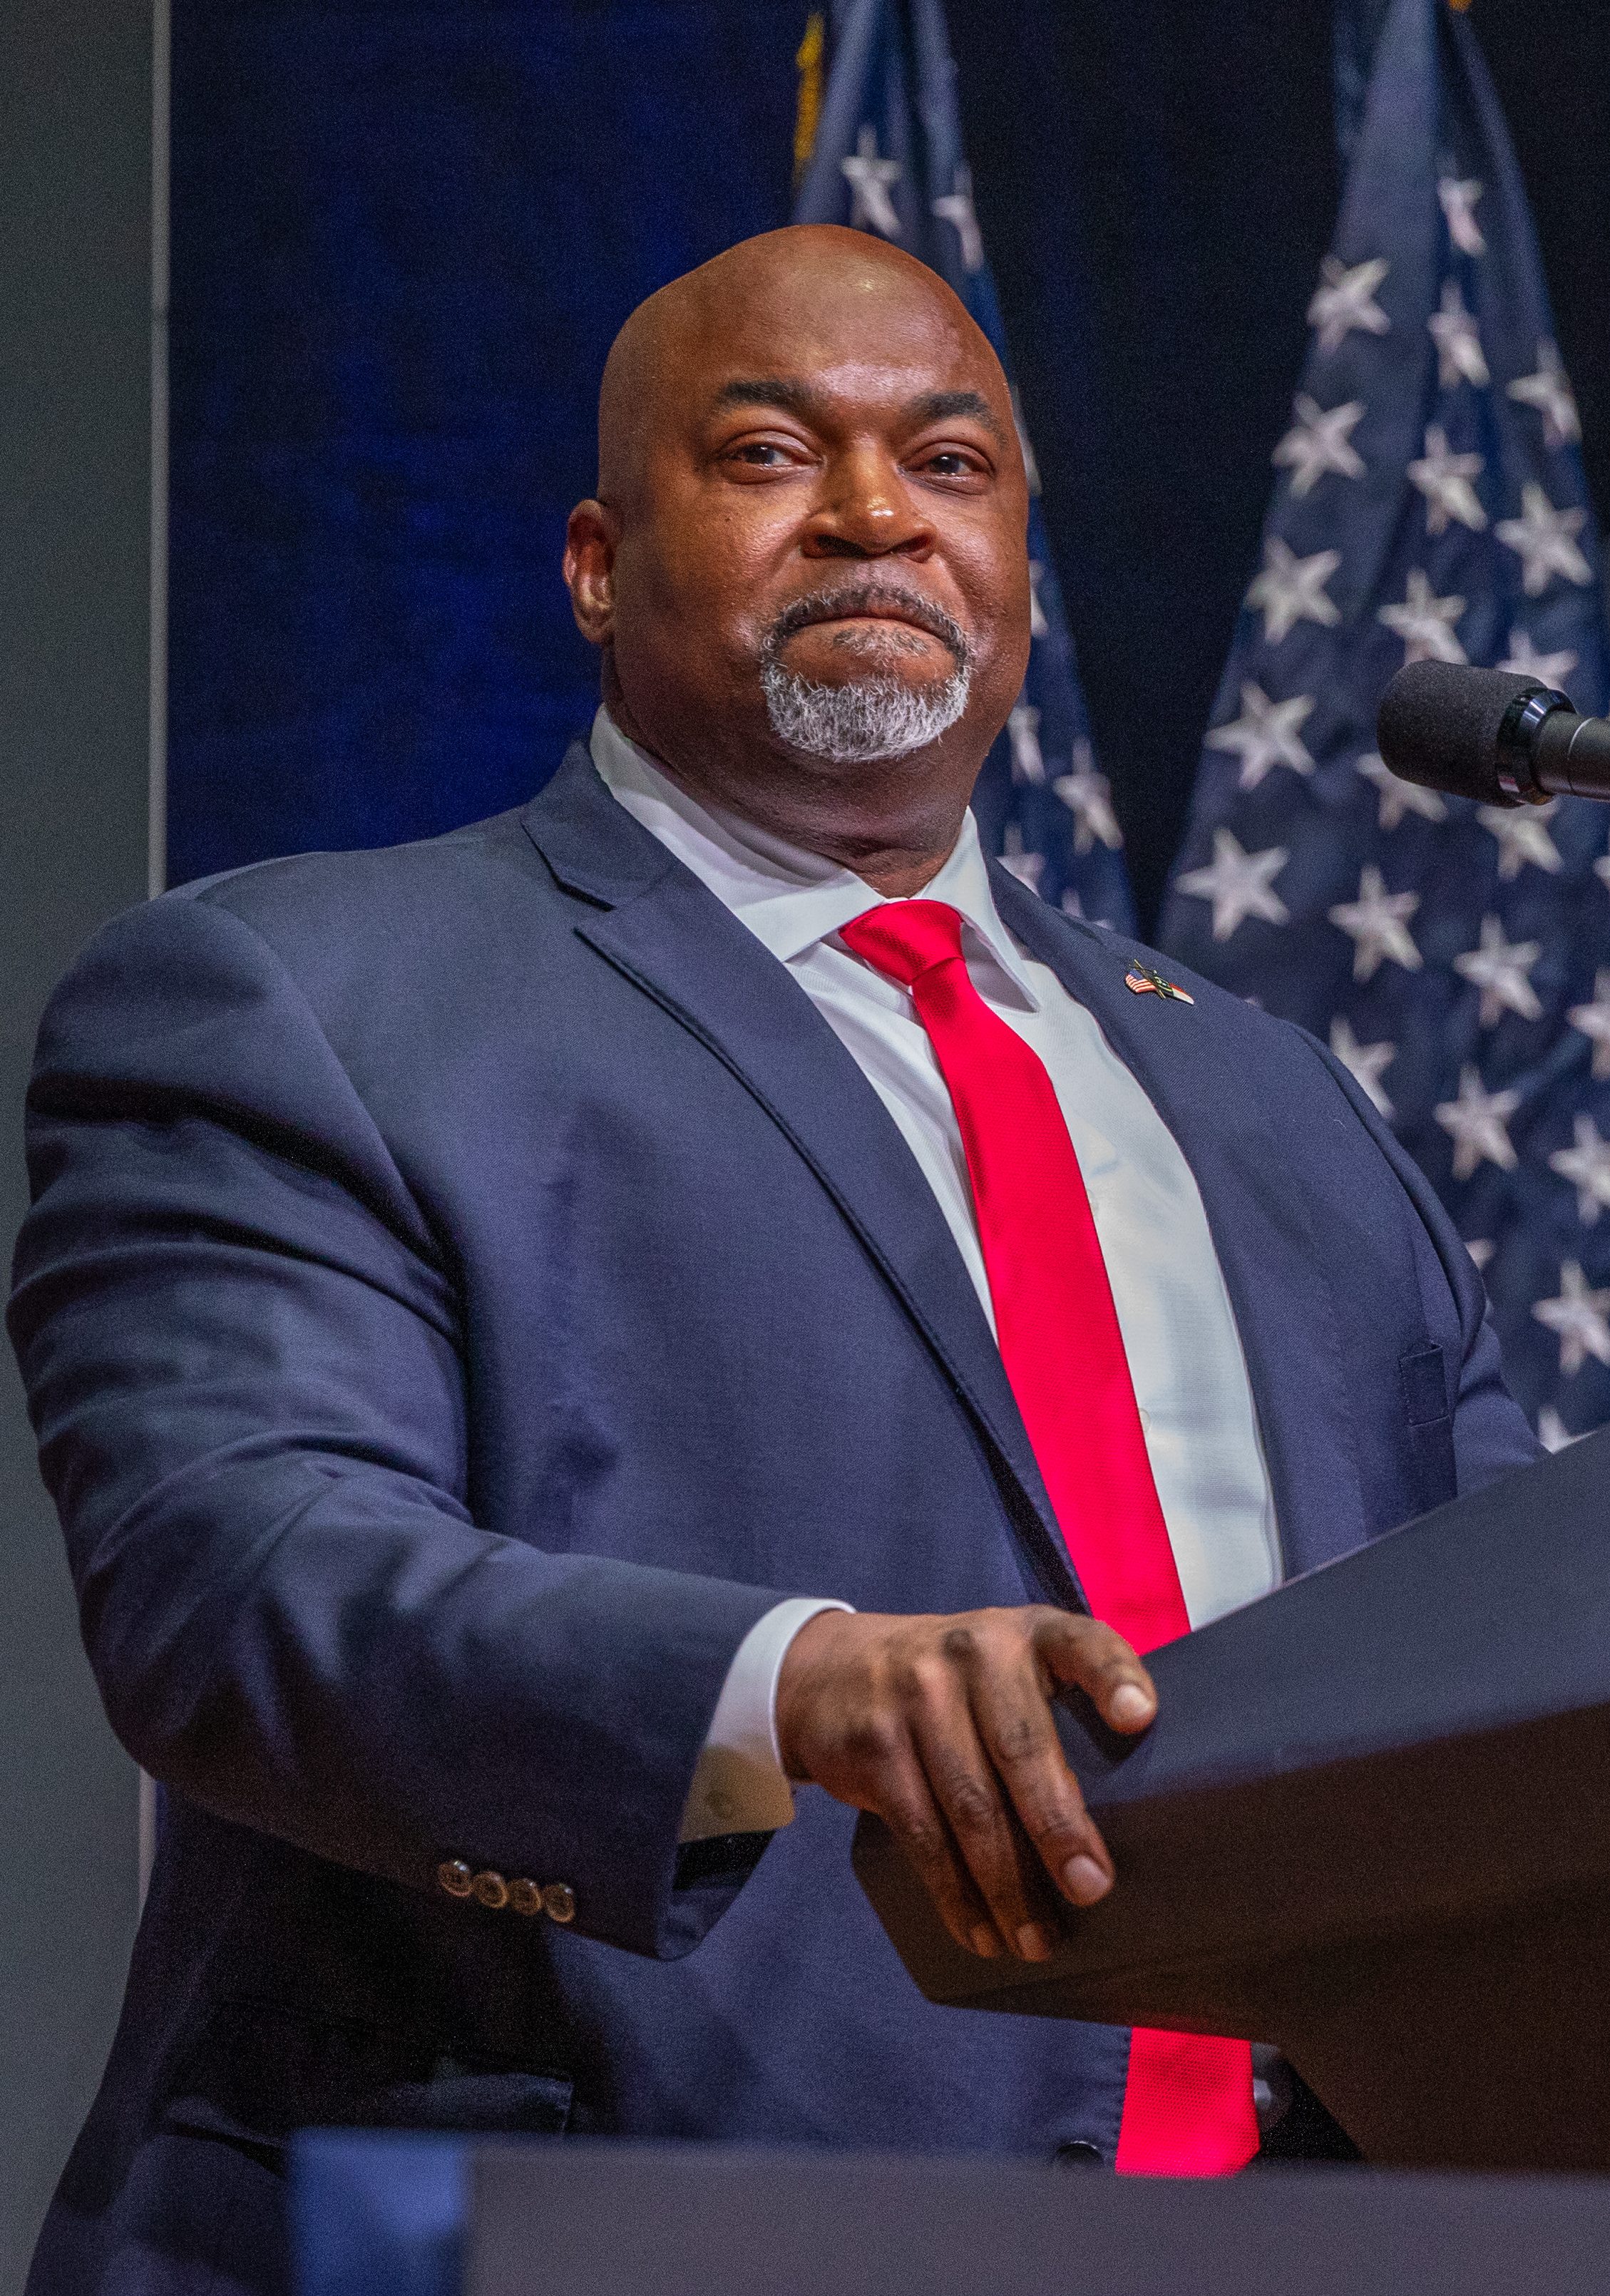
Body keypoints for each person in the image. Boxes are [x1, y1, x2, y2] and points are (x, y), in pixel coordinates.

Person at [10, 224, 1536, 2294]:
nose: (873, 512)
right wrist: (787, 1681)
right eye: (763, 450)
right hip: (584, 2230)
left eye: (951, 461)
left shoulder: (1285, 1107)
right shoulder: (300, 998)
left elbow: (1502, 1633)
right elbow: (246, 1584)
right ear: (594, 564)